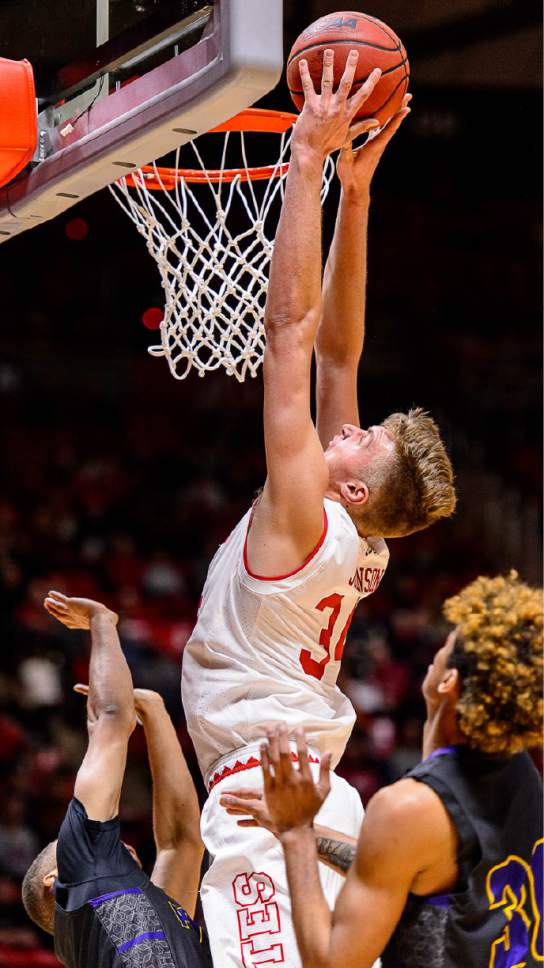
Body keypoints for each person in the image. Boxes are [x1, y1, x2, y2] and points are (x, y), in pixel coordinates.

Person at [181, 50, 456, 968]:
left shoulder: (307, 516)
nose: (345, 428)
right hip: (305, 790)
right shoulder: (360, 537)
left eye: (357, 440)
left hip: (269, 796)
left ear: (348, 485)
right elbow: (339, 356)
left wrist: (306, 162)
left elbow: (293, 335)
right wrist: (359, 195)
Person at [222, 572, 543, 968]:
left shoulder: (409, 806)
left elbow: (330, 963)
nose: (437, 648)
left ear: (449, 681)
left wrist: (297, 834)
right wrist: (309, 831)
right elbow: (418, 866)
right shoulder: (522, 773)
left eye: (446, 644)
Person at [21, 591, 212, 968]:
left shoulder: (129, 913)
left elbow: (182, 842)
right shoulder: (85, 873)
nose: (115, 842)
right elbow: (112, 716)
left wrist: (154, 712)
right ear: (55, 878)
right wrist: (102, 623)